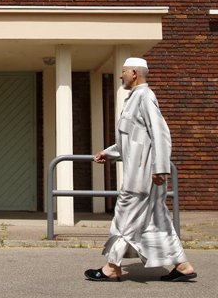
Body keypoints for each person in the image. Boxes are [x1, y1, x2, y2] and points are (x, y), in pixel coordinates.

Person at [84, 57, 197, 282]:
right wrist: (109, 153)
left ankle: (112, 268)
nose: (120, 75)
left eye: (124, 71)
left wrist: (160, 169)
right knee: (158, 220)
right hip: (143, 174)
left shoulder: (145, 97)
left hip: (141, 177)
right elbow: (133, 140)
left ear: (134, 73)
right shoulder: (133, 99)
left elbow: (161, 134)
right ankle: (183, 266)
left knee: (123, 218)